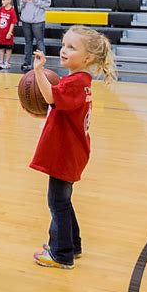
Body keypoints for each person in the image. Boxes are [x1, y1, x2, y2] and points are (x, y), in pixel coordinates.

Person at [30, 26, 117, 269]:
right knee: (63, 200)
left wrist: (38, 73)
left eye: (71, 47)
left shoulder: (76, 83)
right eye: (64, 45)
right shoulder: (80, 81)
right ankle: (72, 244)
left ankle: (62, 254)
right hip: (71, 150)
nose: (64, 50)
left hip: (65, 152)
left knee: (57, 202)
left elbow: (50, 97)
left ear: (88, 57)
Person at [20, 0, 51, 72]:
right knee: (28, 42)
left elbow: (47, 4)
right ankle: (27, 62)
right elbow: (21, 5)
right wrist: (23, 1)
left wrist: (35, 0)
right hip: (26, 20)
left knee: (39, 42)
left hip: (37, 21)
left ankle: (41, 63)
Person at [0, 0, 17, 70]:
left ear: (9, 0)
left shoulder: (12, 11)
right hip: (1, 33)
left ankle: (7, 62)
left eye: (4, 0)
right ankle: (1, 61)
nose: (2, 2)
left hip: (7, 33)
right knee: (1, 48)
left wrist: (10, 32)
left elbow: (13, 23)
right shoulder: (1, 9)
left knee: (8, 48)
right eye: (2, 0)